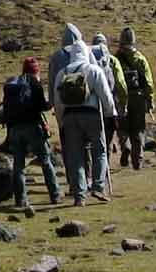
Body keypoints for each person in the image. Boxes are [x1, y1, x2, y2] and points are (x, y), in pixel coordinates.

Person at [50, 27, 115, 204]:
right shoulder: (93, 70)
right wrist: (111, 115)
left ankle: (79, 195)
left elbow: (58, 101)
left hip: (70, 117)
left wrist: (61, 121)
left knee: (75, 155)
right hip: (92, 115)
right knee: (99, 151)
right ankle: (98, 186)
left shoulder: (62, 73)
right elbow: (105, 96)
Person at [0, 57, 60, 214]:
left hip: (14, 129)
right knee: (45, 161)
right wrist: (50, 104)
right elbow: (41, 106)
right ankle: (55, 195)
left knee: (18, 165)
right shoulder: (34, 83)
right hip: (33, 127)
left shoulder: (13, 84)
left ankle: (21, 200)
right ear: (36, 70)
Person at [90, 34, 129, 173]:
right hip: (111, 100)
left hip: (93, 105)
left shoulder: (89, 61)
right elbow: (120, 82)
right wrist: (123, 101)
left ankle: (100, 168)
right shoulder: (112, 60)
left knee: (97, 139)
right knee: (112, 131)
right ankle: (122, 147)